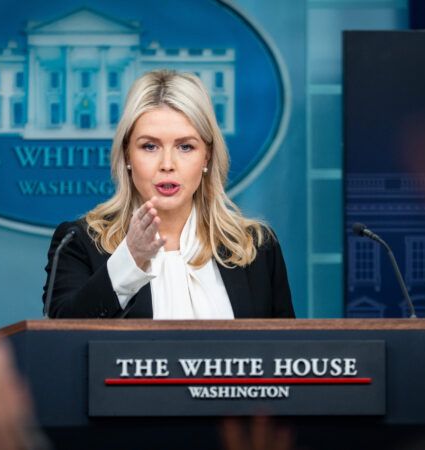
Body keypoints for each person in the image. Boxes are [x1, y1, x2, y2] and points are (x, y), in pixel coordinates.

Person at [42, 69, 294, 319]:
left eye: (185, 147)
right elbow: (62, 339)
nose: (167, 164)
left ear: (207, 155)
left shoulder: (256, 247)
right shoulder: (78, 243)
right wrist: (130, 260)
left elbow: (287, 354)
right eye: (149, 146)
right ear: (127, 154)